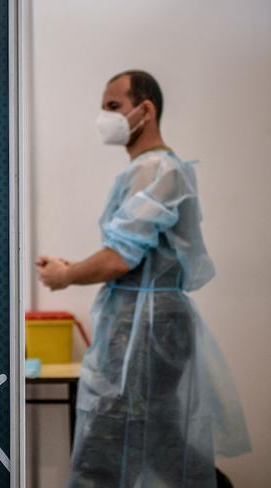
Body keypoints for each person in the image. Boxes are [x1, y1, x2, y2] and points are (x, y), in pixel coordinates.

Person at [36, 70, 250, 487]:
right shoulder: (151, 170)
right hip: (145, 319)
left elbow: (118, 259)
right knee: (159, 437)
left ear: (145, 109)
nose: (105, 117)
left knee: (111, 435)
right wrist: (74, 266)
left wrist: (66, 276)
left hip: (146, 326)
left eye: (113, 106)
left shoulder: (157, 169)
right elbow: (130, 253)